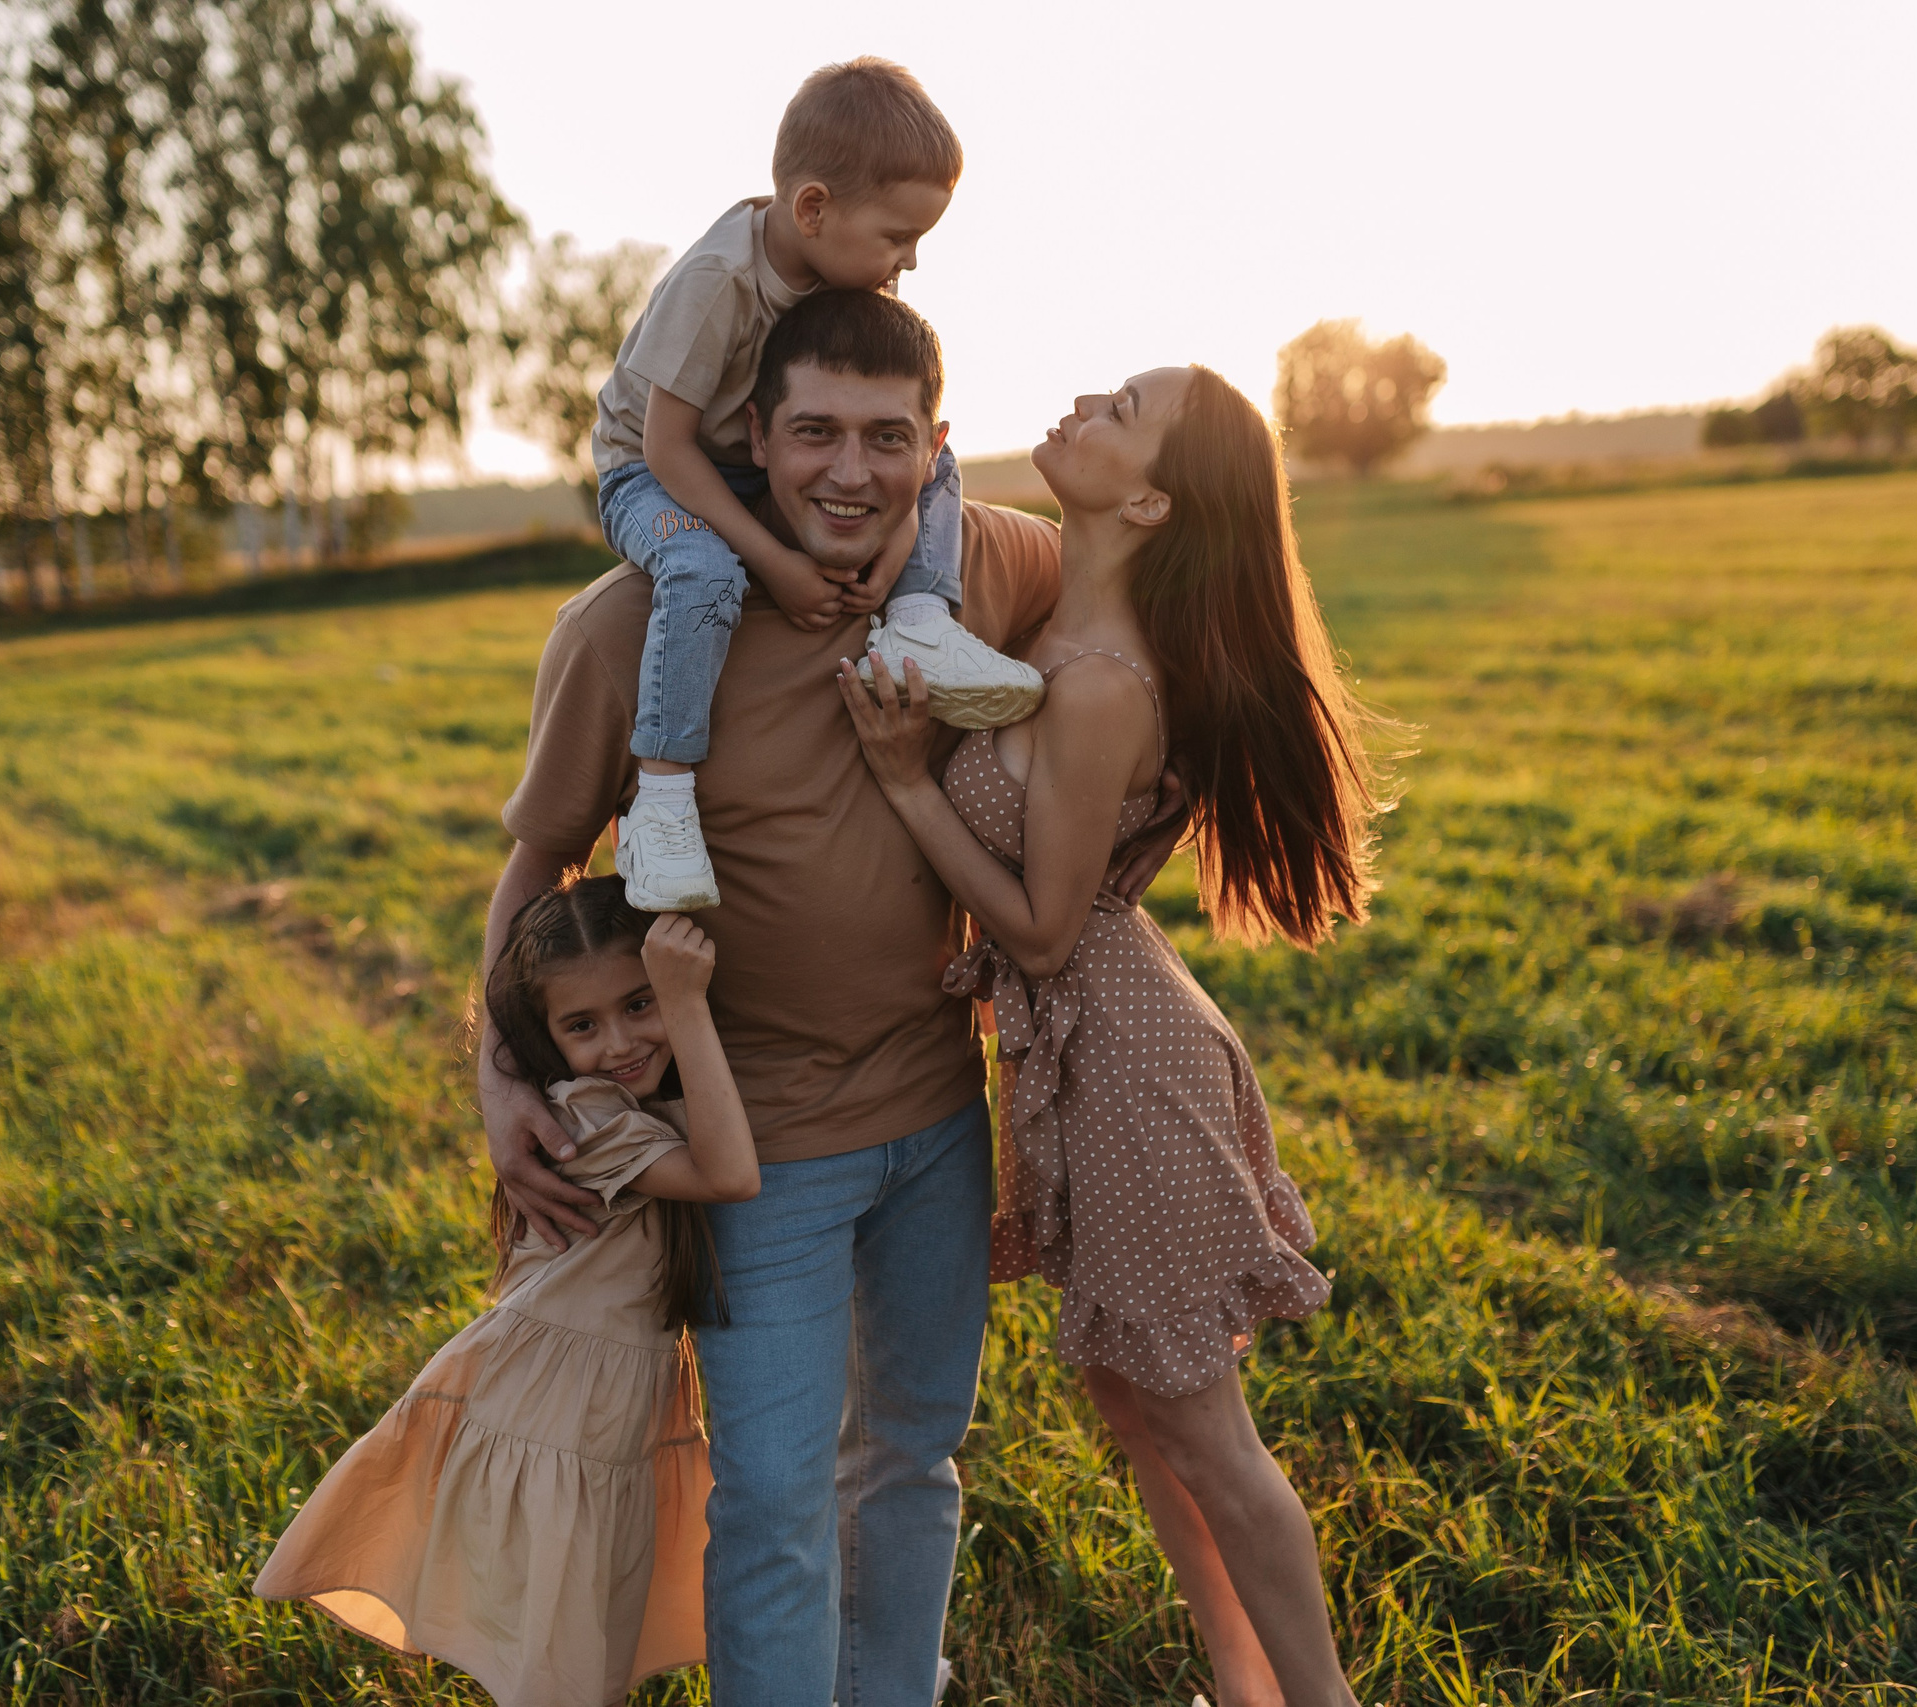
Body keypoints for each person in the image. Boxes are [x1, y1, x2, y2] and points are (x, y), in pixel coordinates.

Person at [481, 289, 1182, 1707]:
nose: (850, 472)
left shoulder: (990, 565)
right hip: (760, 1150)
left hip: (938, 1117)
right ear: (753, 434)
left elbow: (1156, 616)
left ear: (937, 445)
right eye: (814, 432)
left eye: (885, 437)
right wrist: (498, 1079)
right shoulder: (631, 629)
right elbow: (538, 863)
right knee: (776, 1500)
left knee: (912, 1460)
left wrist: (1156, 814)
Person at [838, 364, 1383, 1707]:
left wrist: (907, 780)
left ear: (1147, 502)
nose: (1085, 400)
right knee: (1142, 1414)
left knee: (1205, 1430)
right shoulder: (1055, 630)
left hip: (1128, 1065)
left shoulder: (1096, 682)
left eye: (1123, 411)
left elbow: (1037, 929)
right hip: (1089, 1052)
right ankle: (1244, 1690)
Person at [257, 884, 756, 1707]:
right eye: (582, 1025)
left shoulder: (639, 1101)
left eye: (638, 1003)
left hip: (599, 1412)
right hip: (552, 1415)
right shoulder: (588, 1116)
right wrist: (682, 1003)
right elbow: (730, 1172)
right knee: (559, 1667)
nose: (620, 1042)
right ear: (541, 1036)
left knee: (585, 1649)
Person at [590, 56, 1042, 912]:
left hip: (741, 456)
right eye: (897, 237)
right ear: (813, 210)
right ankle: (663, 801)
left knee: (931, 456)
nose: (909, 260)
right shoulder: (718, 282)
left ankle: (918, 623)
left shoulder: (827, 267)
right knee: (703, 573)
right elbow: (667, 447)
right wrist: (774, 562)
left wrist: (895, 555)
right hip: (645, 472)